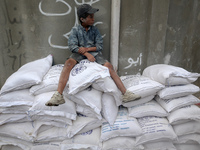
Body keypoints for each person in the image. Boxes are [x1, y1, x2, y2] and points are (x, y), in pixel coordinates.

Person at [45, 4, 141, 106]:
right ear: (82, 19)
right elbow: (72, 46)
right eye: (90, 17)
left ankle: (125, 93)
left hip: (94, 53)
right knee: (68, 63)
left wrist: (87, 49)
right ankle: (58, 95)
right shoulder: (75, 30)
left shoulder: (94, 30)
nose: (93, 19)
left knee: (108, 66)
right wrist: (86, 53)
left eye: (93, 16)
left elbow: (99, 46)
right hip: (79, 54)